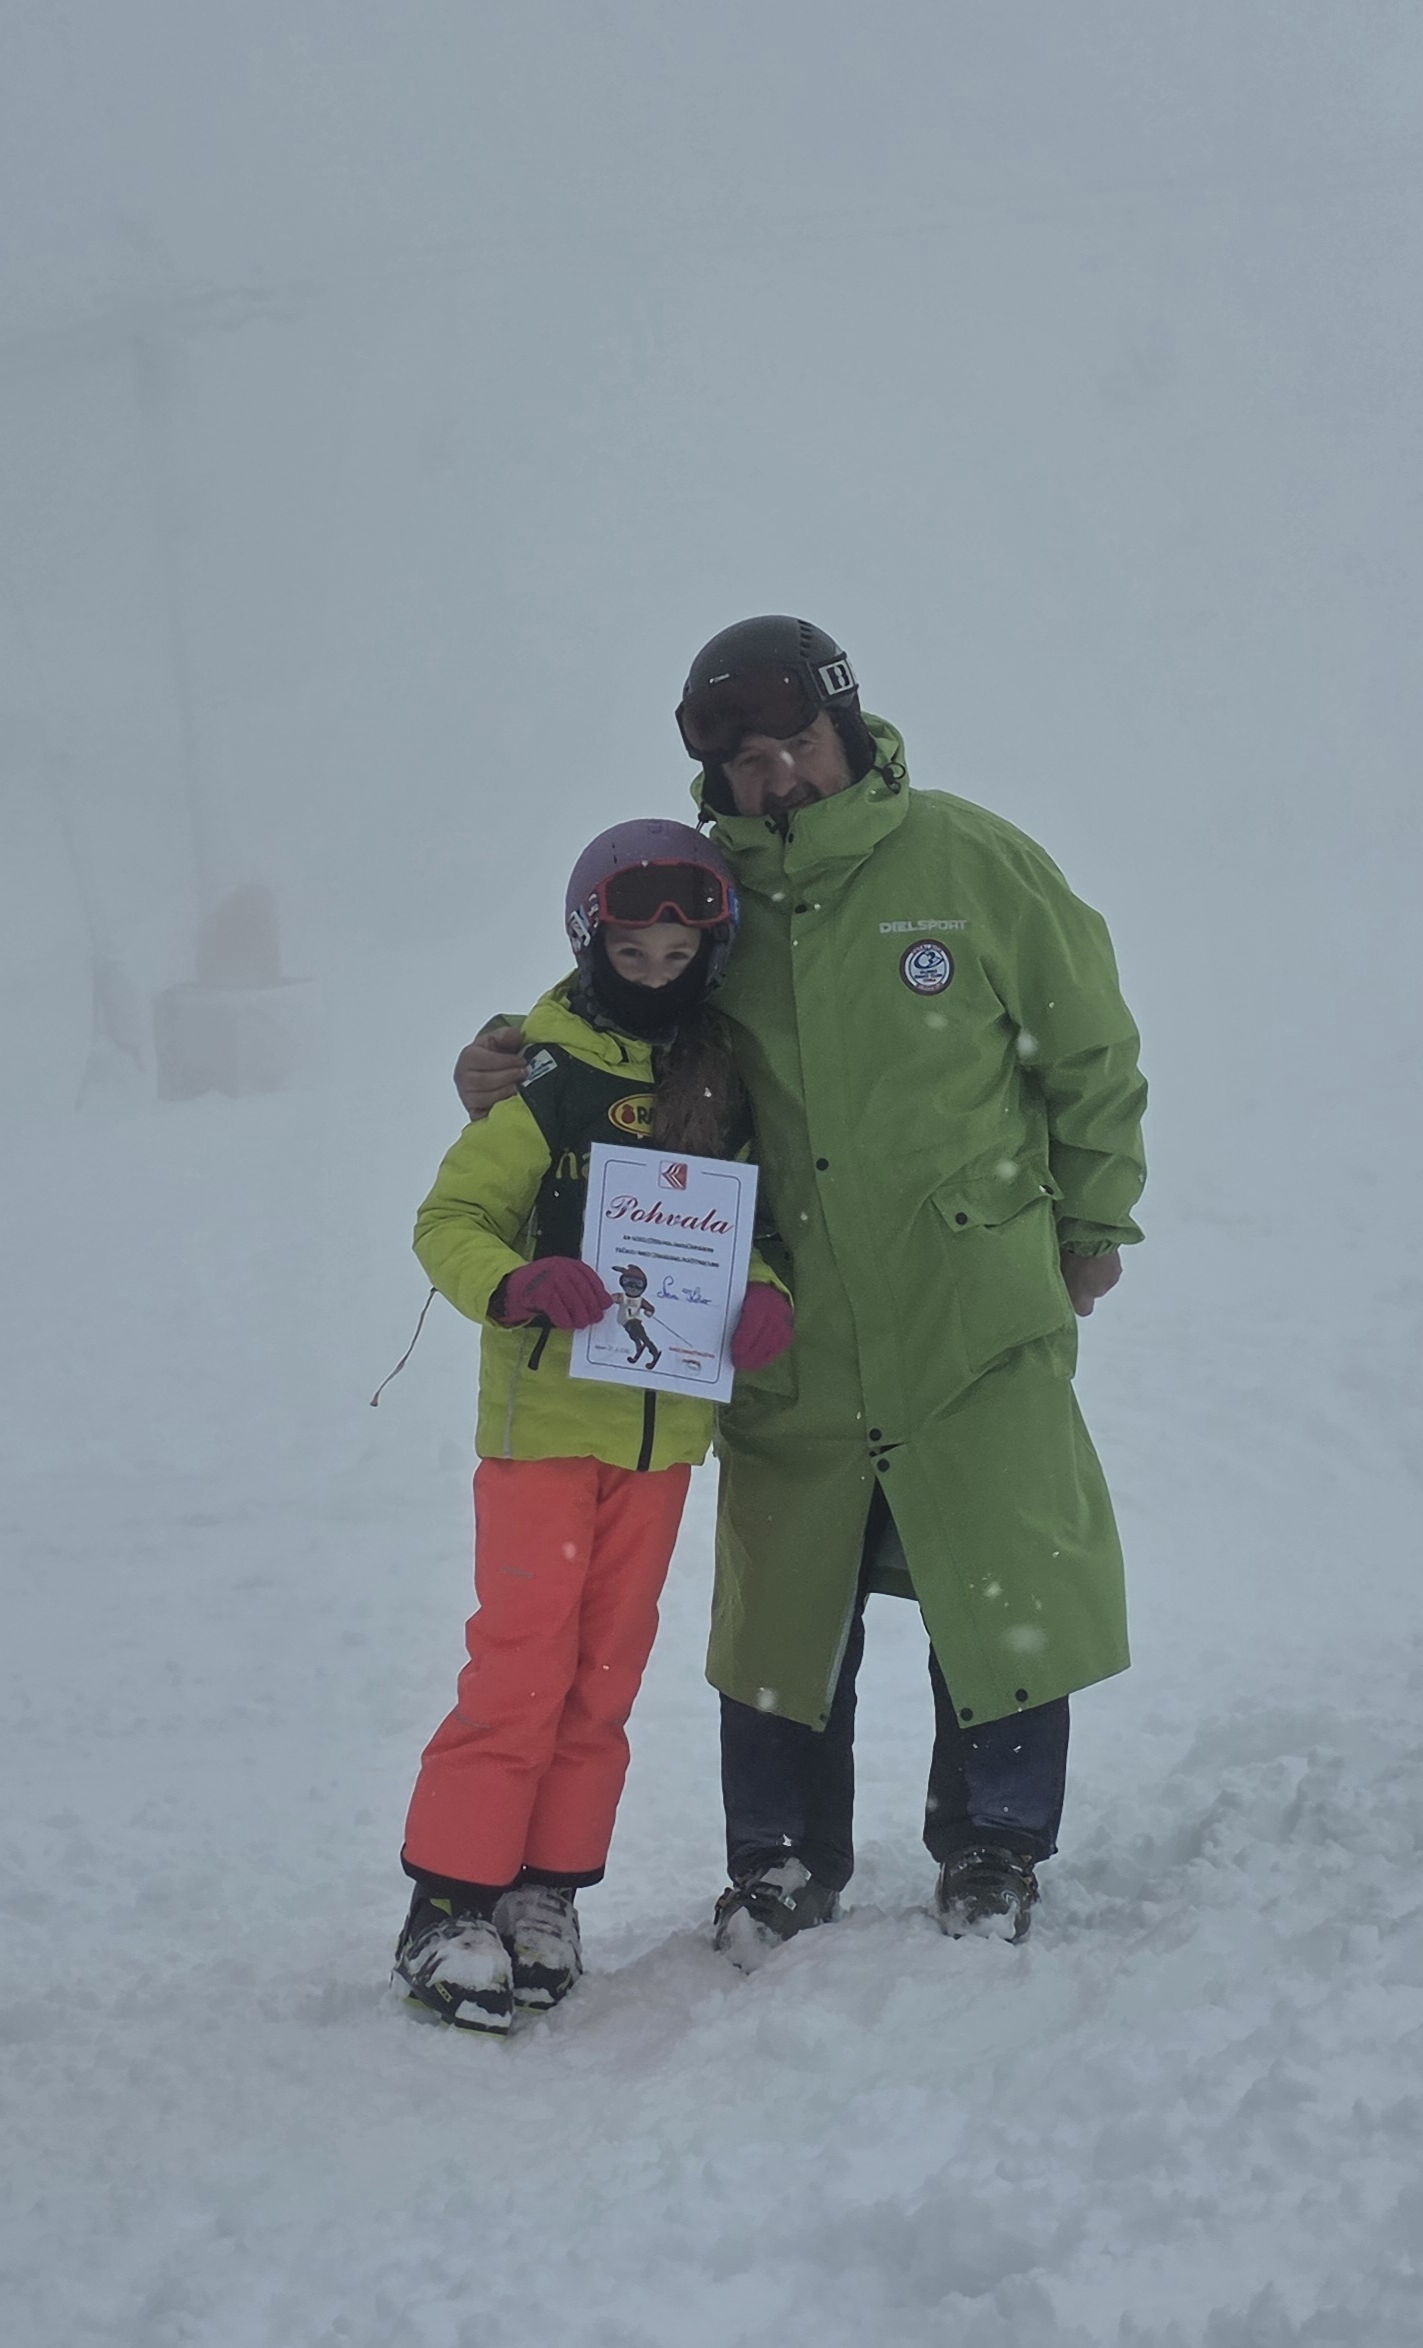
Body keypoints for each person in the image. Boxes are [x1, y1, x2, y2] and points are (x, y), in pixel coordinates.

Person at [454, 618, 1146, 1956]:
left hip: (968, 1299)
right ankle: (777, 1861)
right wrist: (499, 1063)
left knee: (996, 1573)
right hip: (777, 1313)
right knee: (785, 1601)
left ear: (848, 726)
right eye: (749, 762)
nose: (777, 779)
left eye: (797, 746)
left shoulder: (972, 861)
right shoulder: (711, 892)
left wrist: (1096, 1216)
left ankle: (994, 1845)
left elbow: (1092, 1054)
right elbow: (608, 1003)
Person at [395, 818, 794, 2032]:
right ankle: (448, 1900)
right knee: (520, 1663)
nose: (655, 972)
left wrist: (760, 1297)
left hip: (661, 1443)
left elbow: (737, 1234)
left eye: (680, 954)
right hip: (546, 1429)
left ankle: (544, 1890)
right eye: (632, 950)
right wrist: (518, 1280)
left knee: (603, 1675)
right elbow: (449, 1221)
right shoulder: (547, 1076)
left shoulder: (720, 1082)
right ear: (591, 943)